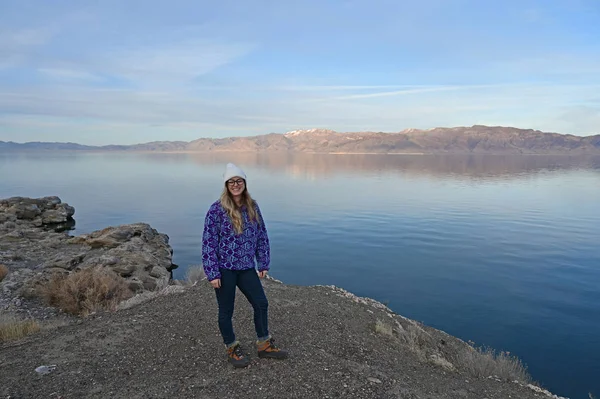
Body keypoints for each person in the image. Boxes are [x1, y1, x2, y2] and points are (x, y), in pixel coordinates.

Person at [201, 162, 288, 368]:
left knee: (261, 303)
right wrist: (213, 273)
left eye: (239, 181)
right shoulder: (216, 210)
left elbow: (261, 236)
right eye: (231, 181)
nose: (235, 184)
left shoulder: (252, 207)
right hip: (225, 269)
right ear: (226, 185)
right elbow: (208, 243)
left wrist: (263, 261)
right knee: (226, 311)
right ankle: (232, 347)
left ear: (244, 183)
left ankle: (264, 345)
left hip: (246, 267)